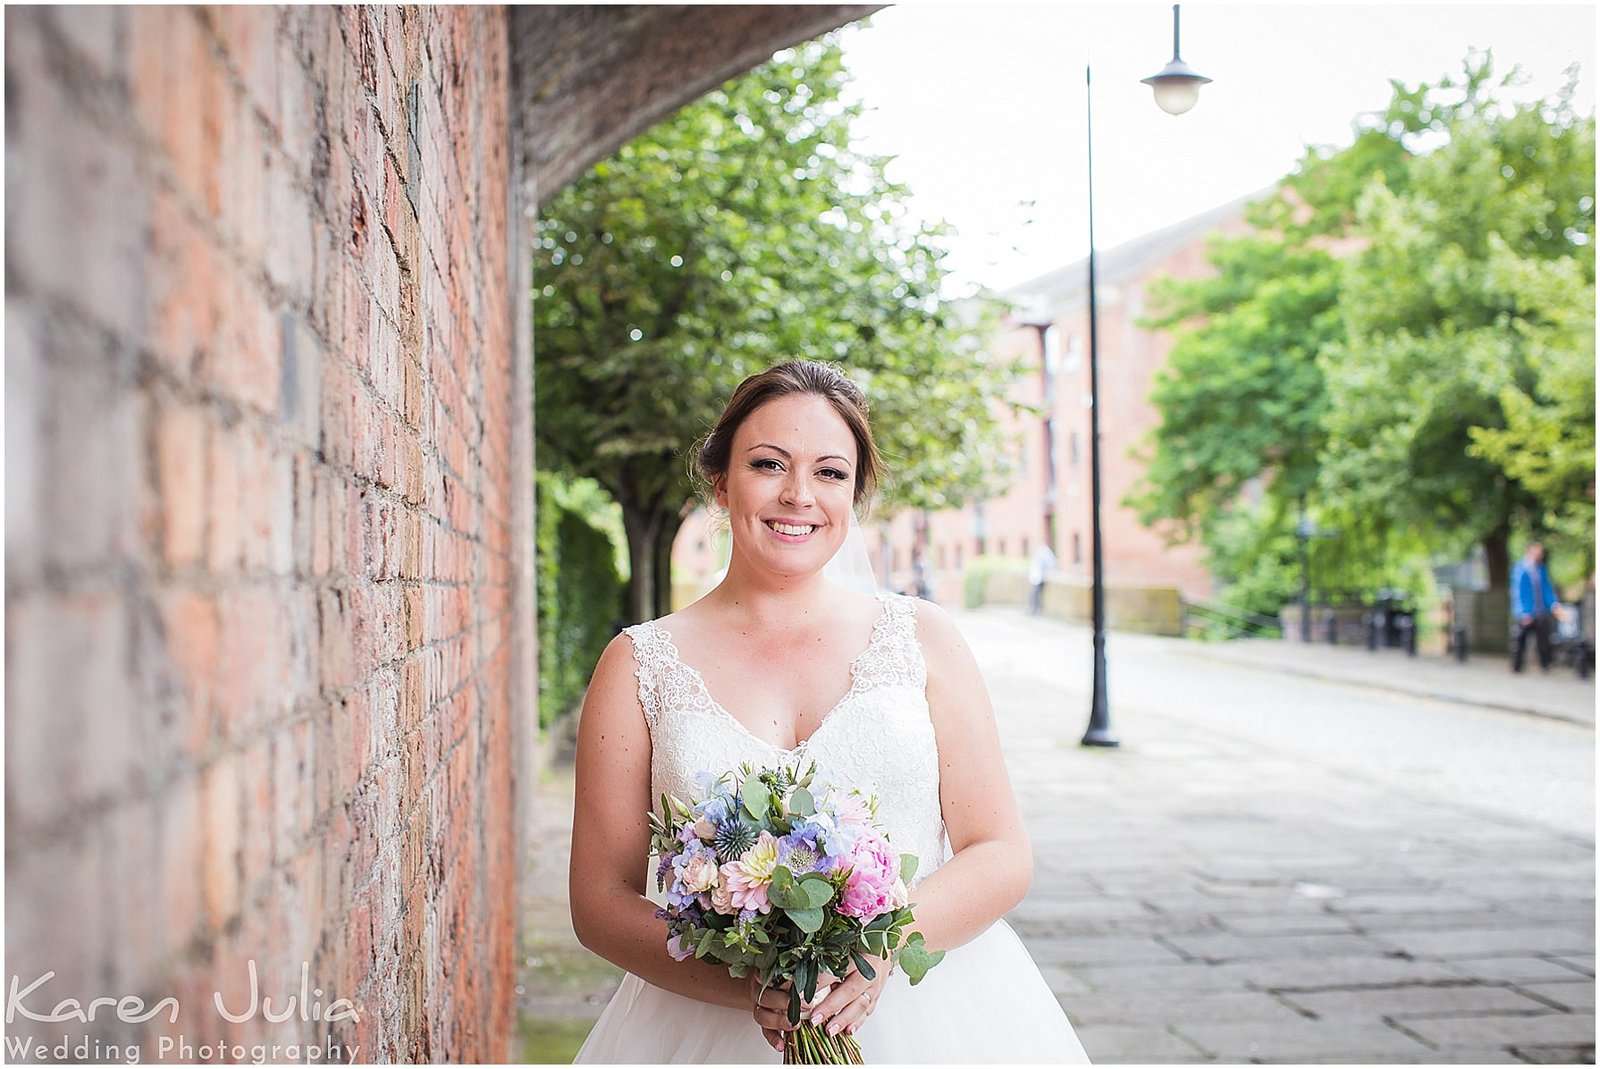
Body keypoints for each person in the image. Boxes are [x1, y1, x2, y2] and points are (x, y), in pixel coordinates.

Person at [568, 361, 1089, 1062]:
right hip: (704, 1028)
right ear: (721, 480)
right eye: (768, 463)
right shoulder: (639, 664)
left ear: (856, 494)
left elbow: (1001, 851)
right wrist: (749, 985)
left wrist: (878, 952)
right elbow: (600, 898)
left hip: (936, 1017)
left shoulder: (923, 640)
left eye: (830, 472)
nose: (798, 495)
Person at [1510, 541, 1560, 673]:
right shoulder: (1520, 569)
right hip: (1526, 612)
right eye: (1537, 553)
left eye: (1541, 553)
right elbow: (1518, 592)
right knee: (1520, 640)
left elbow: (1546, 589)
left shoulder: (1541, 569)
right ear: (1529, 552)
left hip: (1540, 611)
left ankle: (1546, 665)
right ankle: (1517, 666)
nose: (1540, 555)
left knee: (1544, 640)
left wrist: (1553, 604)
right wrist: (1524, 612)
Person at [1028, 542, 1057, 616]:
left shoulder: (1044, 554)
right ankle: (1034, 609)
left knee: (1036, 595)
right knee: (1034, 595)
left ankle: (1035, 609)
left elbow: (1051, 564)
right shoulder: (1041, 554)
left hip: (1039, 578)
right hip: (1036, 578)